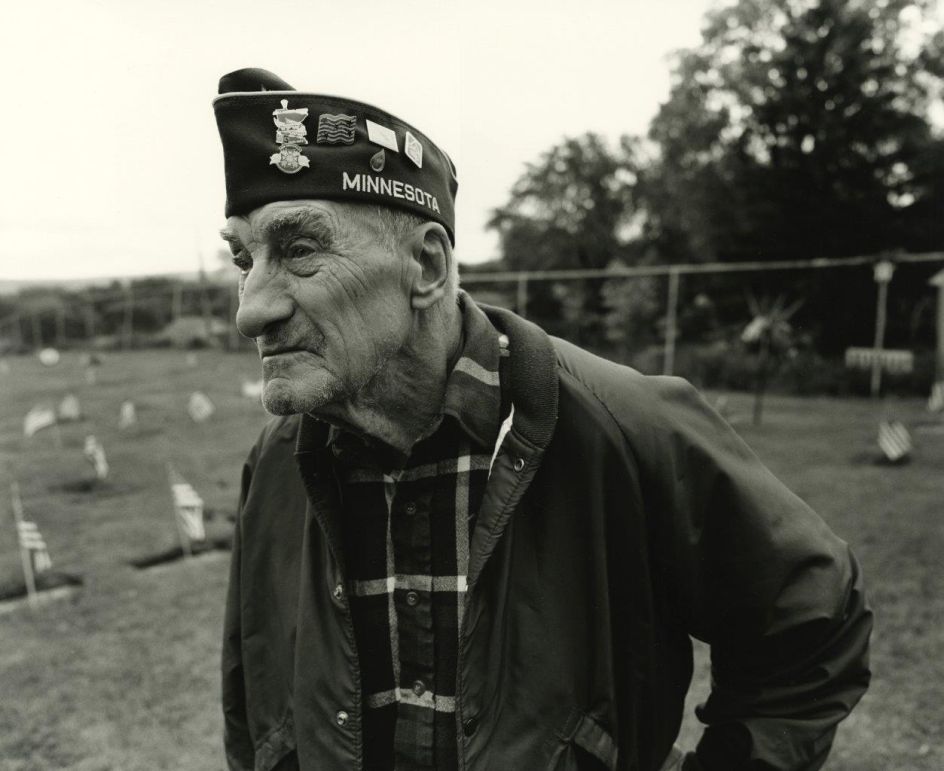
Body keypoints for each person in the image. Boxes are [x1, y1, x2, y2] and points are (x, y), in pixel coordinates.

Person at [214, 68, 871, 771]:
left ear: (428, 267)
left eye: (300, 249)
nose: (250, 307)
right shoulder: (279, 458)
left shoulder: (623, 427)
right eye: (243, 258)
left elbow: (811, 621)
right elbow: (252, 698)